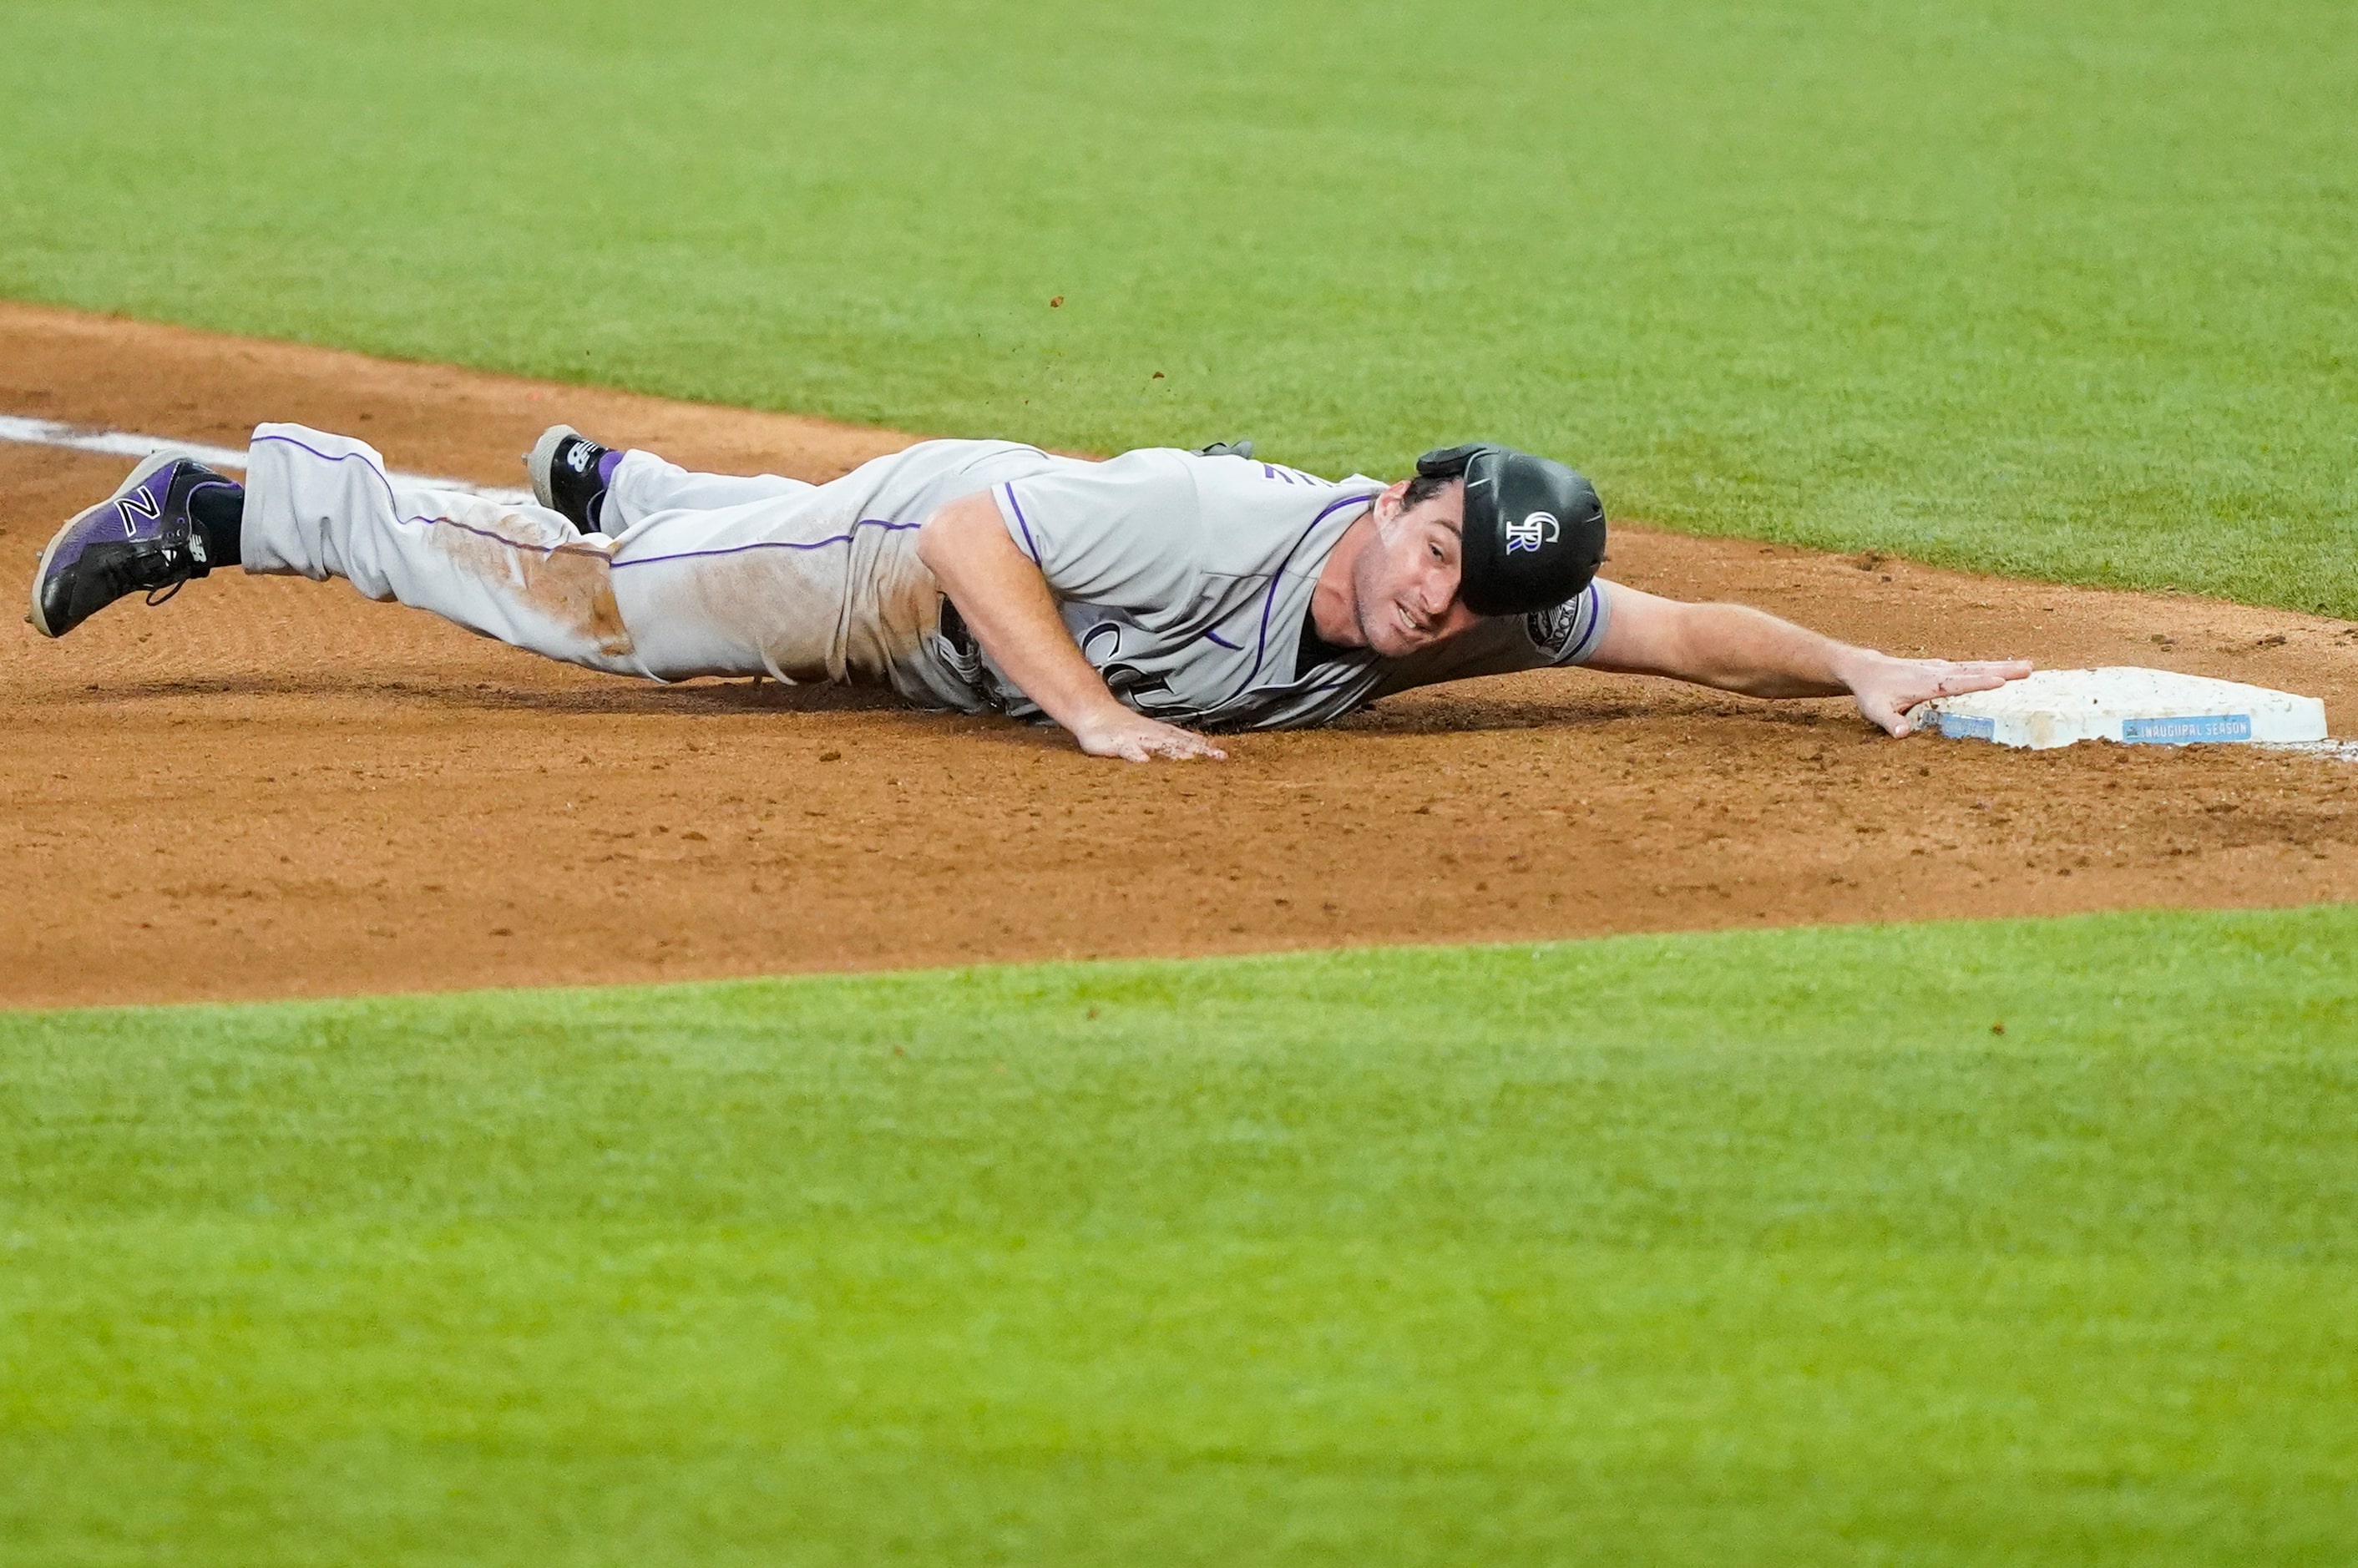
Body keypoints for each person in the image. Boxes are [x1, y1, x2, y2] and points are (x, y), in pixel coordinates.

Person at [27, 422, 2029, 760]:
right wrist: (1084, 713)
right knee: (600, 617)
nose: (1432, 603)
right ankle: (238, 505)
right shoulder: (1214, 524)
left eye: (1465, 588)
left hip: (948, 601)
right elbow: (981, 530)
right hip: (920, 558)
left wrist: (1857, 661)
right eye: (1431, 549)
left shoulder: (1488, 600)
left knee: (674, 547)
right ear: (1408, 492)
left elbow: (1678, 635)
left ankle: (645, 479)